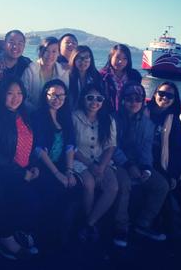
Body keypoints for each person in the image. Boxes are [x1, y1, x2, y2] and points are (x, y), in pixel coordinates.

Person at [0, 77, 40, 259]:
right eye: (10, 93)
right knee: (24, 197)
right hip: (2, 171)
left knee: (42, 194)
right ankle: (3, 236)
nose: (15, 98)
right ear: (2, 95)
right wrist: (21, 173)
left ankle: (19, 231)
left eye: (19, 94)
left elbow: (28, 144)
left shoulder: (23, 114)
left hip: (23, 170)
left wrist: (33, 166)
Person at [113, 82, 169, 247]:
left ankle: (143, 223)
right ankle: (120, 227)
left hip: (137, 164)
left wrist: (146, 168)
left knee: (161, 185)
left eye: (138, 99)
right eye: (129, 98)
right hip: (117, 164)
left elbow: (146, 149)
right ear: (122, 100)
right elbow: (112, 147)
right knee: (124, 185)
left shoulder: (147, 124)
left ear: (143, 101)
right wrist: (128, 165)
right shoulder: (112, 119)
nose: (133, 102)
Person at [31, 79, 79, 247]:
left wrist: (69, 171)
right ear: (46, 96)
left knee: (74, 188)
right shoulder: (38, 116)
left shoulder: (66, 117)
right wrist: (58, 174)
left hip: (61, 165)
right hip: (42, 166)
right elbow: (39, 149)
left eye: (61, 96)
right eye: (53, 95)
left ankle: (64, 234)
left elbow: (70, 145)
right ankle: (46, 237)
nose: (57, 99)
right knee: (53, 190)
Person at [147, 82, 181, 236]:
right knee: (164, 194)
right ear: (155, 94)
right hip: (148, 163)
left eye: (170, 96)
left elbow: (179, 149)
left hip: (167, 165)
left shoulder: (173, 120)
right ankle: (169, 232)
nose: (165, 98)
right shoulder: (143, 113)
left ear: (174, 100)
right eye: (162, 93)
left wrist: (174, 174)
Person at [72, 83, 118, 242]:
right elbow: (71, 146)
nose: (94, 102)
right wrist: (91, 166)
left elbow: (110, 146)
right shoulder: (74, 117)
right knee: (89, 184)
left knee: (112, 187)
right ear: (83, 99)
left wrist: (101, 167)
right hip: (80, 160)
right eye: (90, 97)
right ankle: (90, 224)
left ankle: (89, 223)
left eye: (99, 98)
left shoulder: (108, 119)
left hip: (101, 161)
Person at [22, 37, 69, 111]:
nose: (50, 55)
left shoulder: (63, 72)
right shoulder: (30, 70)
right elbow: (23, 97)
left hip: (56, 113)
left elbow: (64, 97)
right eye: (46, 51)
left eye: (54, 51)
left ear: (58, 53)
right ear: (41, 51)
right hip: (33, 114)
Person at [100, 44, 142, 112]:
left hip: (129, 114)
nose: (120, 61)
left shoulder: (134, 75)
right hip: (108, 113)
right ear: (111, 57)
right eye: (117, 57)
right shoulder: (102, 76)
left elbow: (139, 94)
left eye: (124, 58)